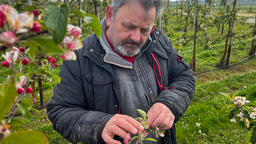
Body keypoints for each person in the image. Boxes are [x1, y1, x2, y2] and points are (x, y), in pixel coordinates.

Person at [47, 0, 195, 144]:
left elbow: (184, 76)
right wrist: (100, 125)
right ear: (110, 15)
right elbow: (61, 111)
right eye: (129, 26)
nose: (136, 38)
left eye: (145, 30)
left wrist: (169, 103)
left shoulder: (158, 41)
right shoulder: (80, 55)